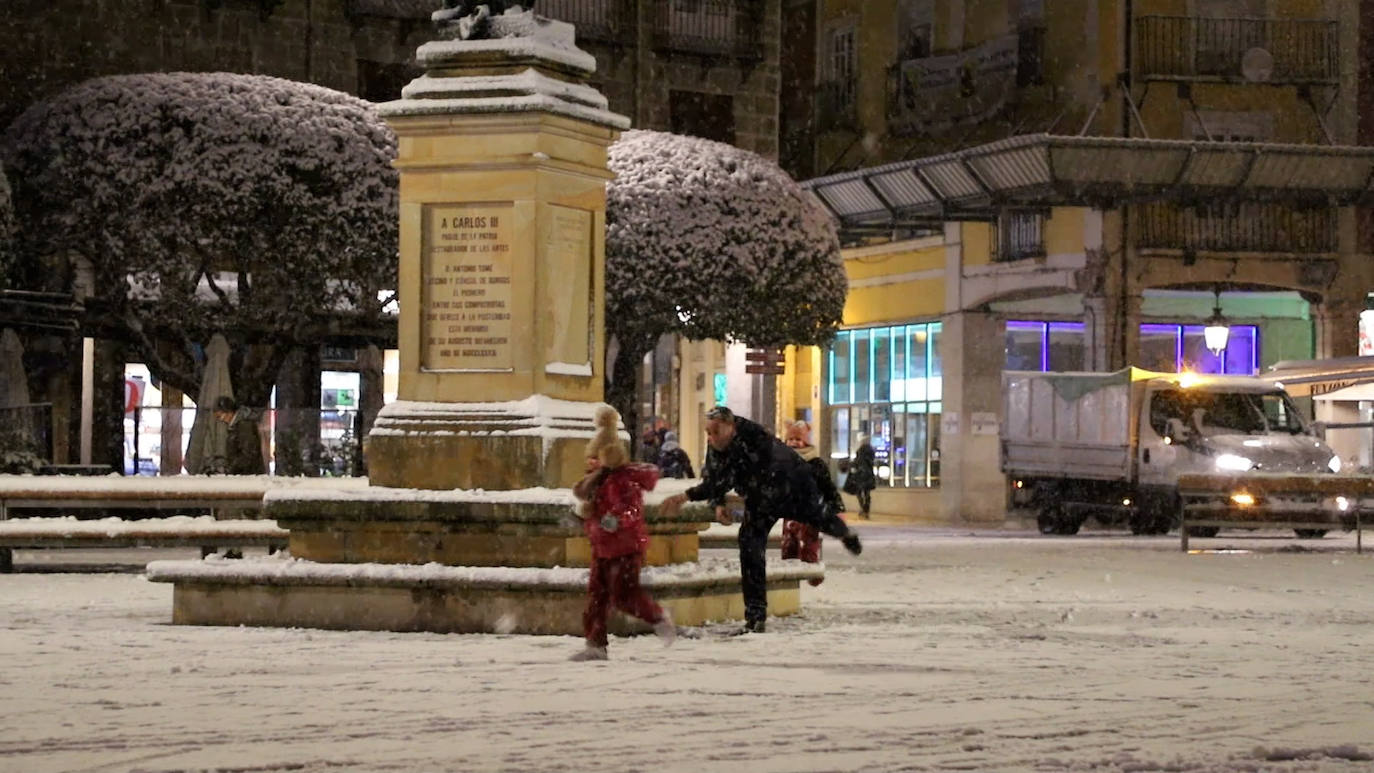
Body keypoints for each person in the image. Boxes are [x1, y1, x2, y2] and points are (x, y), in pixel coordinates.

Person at [660, 406, 861, 634]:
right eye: (708, 432)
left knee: (819, 517)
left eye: (716, 431)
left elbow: (728, 477)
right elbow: (715, 477)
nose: (711, 437)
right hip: (760, 496)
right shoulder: (717, 446)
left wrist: (688, 496)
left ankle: (845, 533)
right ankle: (755, 616)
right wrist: (716, 503)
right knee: (749, 544)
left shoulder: (753, 437)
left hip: (790, 485)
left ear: (731, 427)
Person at [568, 404, 675, 661]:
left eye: (596, 457)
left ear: (608, 457)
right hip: (603, 548)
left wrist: (614, 520)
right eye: (589, 457)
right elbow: (594, 508)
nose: (591, 462)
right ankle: (595, 643)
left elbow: (631, 510)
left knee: (624, 596)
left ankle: (658, 617)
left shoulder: (620, 480)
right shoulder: (595, 482)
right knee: (597, 598)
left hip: (624, 548)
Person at [781, 420, 843, 587]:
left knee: (808, 540)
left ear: (805, 442)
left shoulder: (815, 463)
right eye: (791, 439)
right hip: (790, 511)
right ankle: (789, 573)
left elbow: (827, 486)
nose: (794, 442)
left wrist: (835, 506)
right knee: (789, 542)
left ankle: (812, 571)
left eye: (798, 439)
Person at [212, 396, 266, 476]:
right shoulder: (237, 426)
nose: (221, 420)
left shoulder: (244, 425)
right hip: (245, 474)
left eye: (220, 416)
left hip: (248, 476)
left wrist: (232, 468)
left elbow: (248, 453)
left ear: (229, 412)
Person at [845, 434, 876, 518]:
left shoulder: (860, 451)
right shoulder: (871, 452)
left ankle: (863, 508)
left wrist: (851, 465)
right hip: (869, 474)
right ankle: (866, 510)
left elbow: (857, 462)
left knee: (859, 492)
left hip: (861, 474)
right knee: (867, 493)